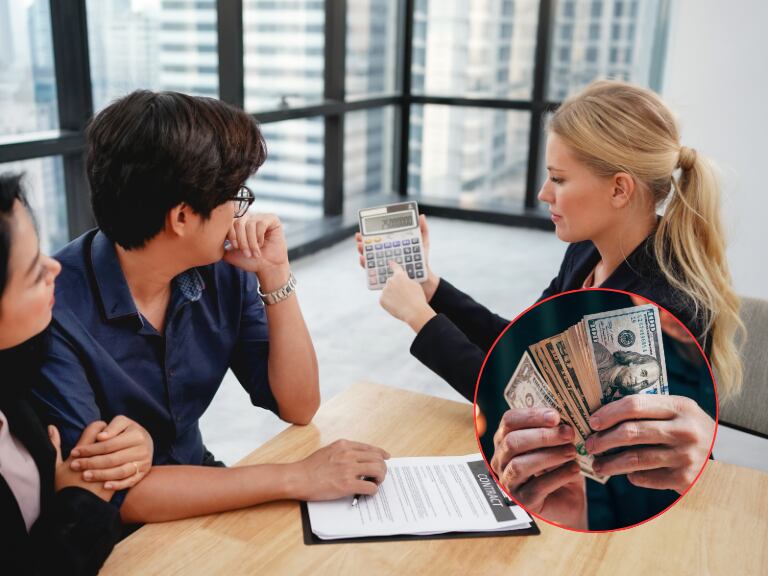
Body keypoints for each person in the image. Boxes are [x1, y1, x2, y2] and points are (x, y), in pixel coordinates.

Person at [355, 80, 742, 529]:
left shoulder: (657, 307)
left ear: (620, 189)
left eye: (558, 179)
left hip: (630, 517)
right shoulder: (586, 253)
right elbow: (518, 351)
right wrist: (432, 289)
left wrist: (420, 319)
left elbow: (526, 408)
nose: (543, 193)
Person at [32, 90, 388, 524]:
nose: (241, 210)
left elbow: (298, 405)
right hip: (110, 533)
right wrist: (294, 476)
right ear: (182, 217)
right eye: (234, 194)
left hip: (199, 481)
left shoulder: (222, 269)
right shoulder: (52, 311)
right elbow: (105, 494)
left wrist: (275, 274)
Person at [0, 173, 154, 574]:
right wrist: (78, 502)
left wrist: (136, 445)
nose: (54, 267)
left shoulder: (16, 375)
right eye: (33, 271)